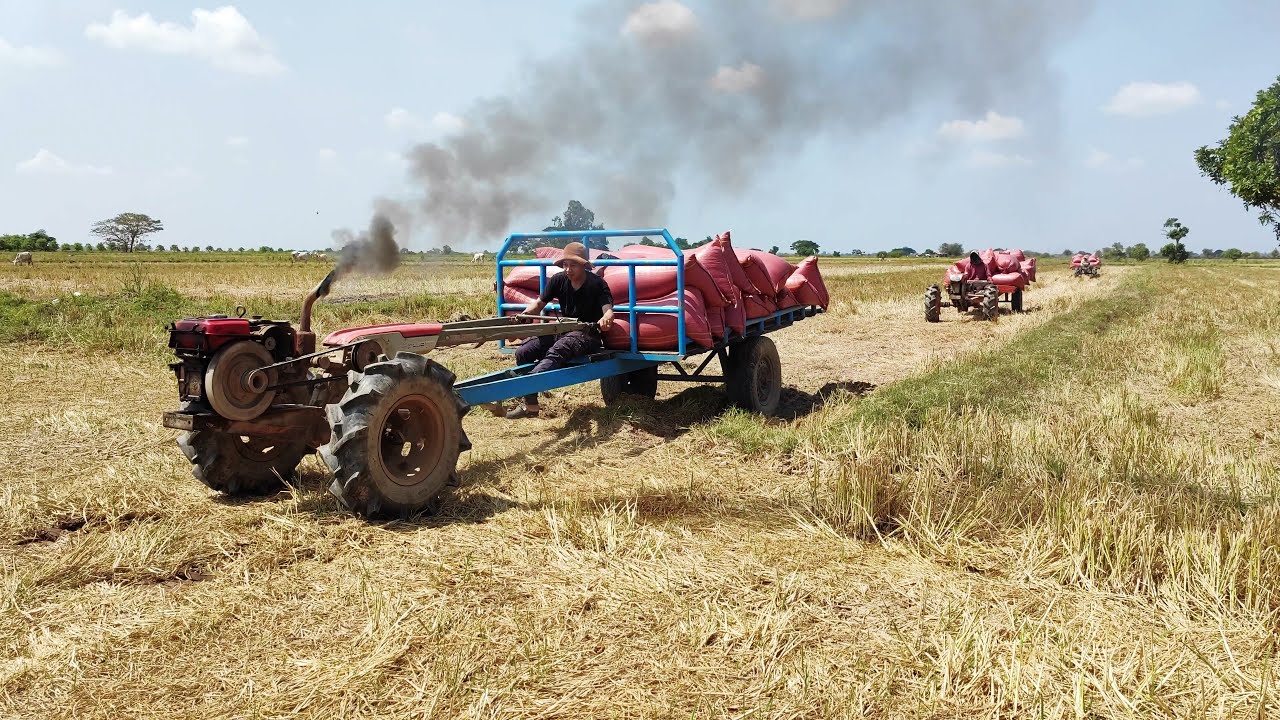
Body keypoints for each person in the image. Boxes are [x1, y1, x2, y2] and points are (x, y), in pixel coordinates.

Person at [505, 241, 614, 419]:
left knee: (558, 350)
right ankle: (531, 404)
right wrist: (522, 315)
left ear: (584, 265)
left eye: (573, 265)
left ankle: (529, 384)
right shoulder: (558, 280)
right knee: (523, 352)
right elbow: (539, 304)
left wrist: (606, 318)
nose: (568, 270)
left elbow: (607, 311)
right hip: (563, 330)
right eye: (565, 265)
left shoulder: (597, 284)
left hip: (587, 335)